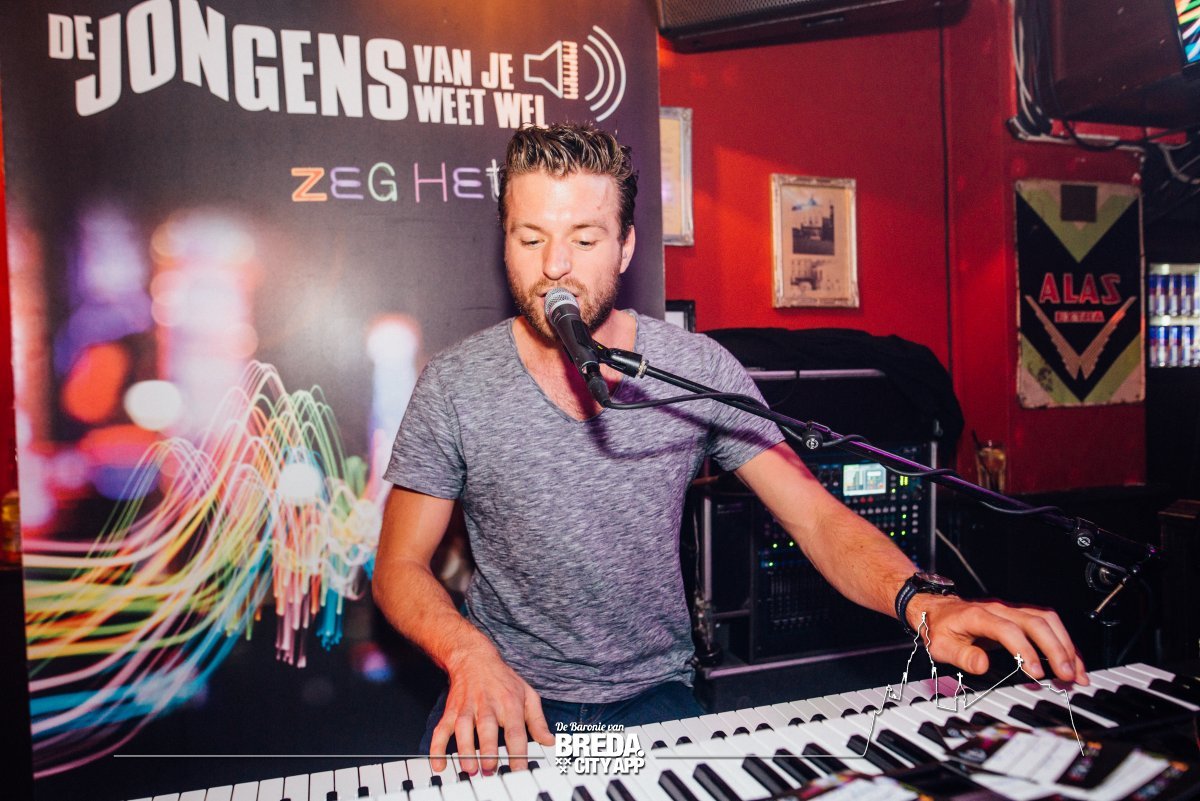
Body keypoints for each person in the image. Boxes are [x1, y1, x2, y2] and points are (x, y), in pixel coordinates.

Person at [372, 122, 1088, 776]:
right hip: (504, 699)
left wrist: (923, 602)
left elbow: (815, 517)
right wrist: (469, 654)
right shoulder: (456, 383)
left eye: (584, 240)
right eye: (531, 239)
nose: (555, 265)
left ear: (625, 246)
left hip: (647, 704)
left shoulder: (697, 369)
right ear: (504, 240)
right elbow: (399, 565)